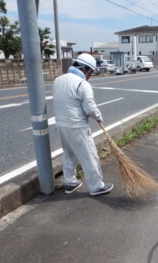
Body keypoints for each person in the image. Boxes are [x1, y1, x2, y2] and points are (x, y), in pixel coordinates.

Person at [52, 53, 114, 196]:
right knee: (90, 156)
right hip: (77, 126)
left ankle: (70, 182)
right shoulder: (82, 84)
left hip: (61, 125)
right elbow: (90, 108)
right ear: (86, 69)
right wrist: (98, 116)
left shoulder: (58, 80)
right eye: (91, 72)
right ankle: (96, 187)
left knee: (68, 153)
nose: (90, 76)